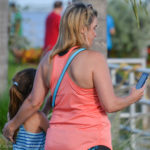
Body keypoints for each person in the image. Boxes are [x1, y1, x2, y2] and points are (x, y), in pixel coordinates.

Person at [3, 3, 145, 150]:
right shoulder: (94, 59)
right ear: (83, 29)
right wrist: (132, 97)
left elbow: (33, 102)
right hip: (91, 142)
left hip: (56, 142)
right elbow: (110, 105)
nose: (95, 34)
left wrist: (12, 125)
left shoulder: (48, 60)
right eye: (94, 28)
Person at [8, 68, 49, 150]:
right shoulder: (38, 117)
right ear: (34, 92)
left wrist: (46, 107)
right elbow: (54, 135)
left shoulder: (11, 113)